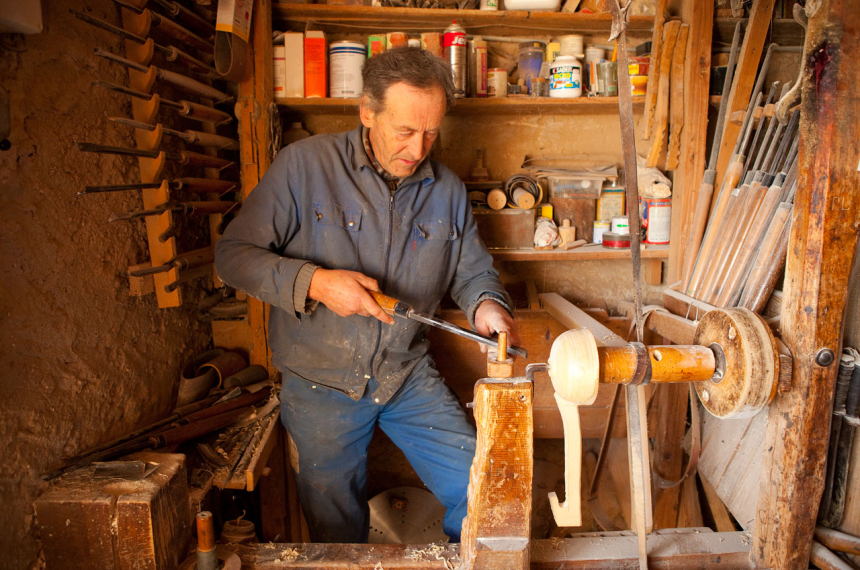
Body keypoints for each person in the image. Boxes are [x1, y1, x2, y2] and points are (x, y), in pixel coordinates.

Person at [214, 47, 520, 543]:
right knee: (336, 533)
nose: (418, 149)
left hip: (404, 374)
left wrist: (488, 307)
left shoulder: (447, 190)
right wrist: (315, 282)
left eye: (431, 132)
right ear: (367, 112)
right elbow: (231, 256)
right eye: (405, 131)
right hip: (318, 380)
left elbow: (472, 273)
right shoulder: (304, 167)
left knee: (484, 488)